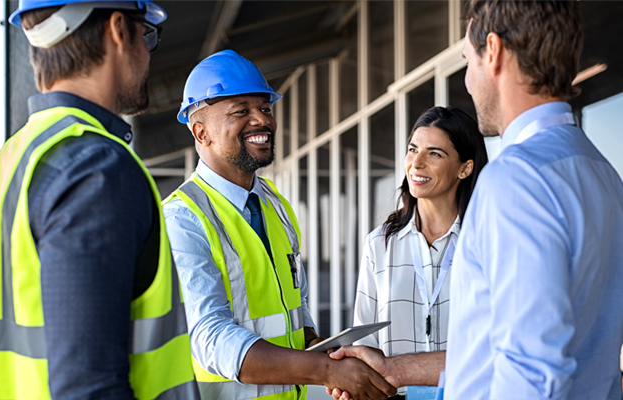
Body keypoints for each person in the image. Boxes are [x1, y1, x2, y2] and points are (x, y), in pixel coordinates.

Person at [0, 1, 199, 399]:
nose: (146, 53)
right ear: (119, 29)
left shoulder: (3, 165)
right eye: (147, 34)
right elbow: (89, 389)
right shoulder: (96, 169)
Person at [163, 49, 396, 400]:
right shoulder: (183, 218)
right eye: (241, 111)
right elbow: (211, 338)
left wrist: (326, 350)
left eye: (265, 109)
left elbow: (293, 310)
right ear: (201, 133)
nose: (262, 120)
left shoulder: (272, 202)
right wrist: (327, 371)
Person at [445, 0, 623, 399]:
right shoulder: (604, 175)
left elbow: (532, 377)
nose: (468, 81)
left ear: (493, 51)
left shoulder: (514, 180)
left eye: (467, 60)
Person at [350, 106, 488, 399]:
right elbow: (365, 337)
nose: (416, 163)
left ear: (465, 168)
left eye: (434, 154)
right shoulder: (380, 244)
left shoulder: (487, 241)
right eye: (413, 150)